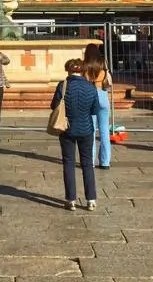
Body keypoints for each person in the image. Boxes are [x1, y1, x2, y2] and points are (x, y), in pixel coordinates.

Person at [51, 58, 100, 211]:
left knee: (68, 163)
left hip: (67, 129)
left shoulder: (63, 85)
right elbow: (95, 110)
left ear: (69, 70)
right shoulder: (91, 87)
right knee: (87, 164)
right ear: (82, 70)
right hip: (86, 129)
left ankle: (71, 199)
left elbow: (54, 105)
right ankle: (91, 199)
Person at [82, 44, 112, 169]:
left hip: (90, 96)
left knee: (91, 131)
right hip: (103, 96)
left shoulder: (85, 65)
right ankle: (105, 162)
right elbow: (109, 81)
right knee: (105, 130)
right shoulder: (103, 63)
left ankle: (90, 161)